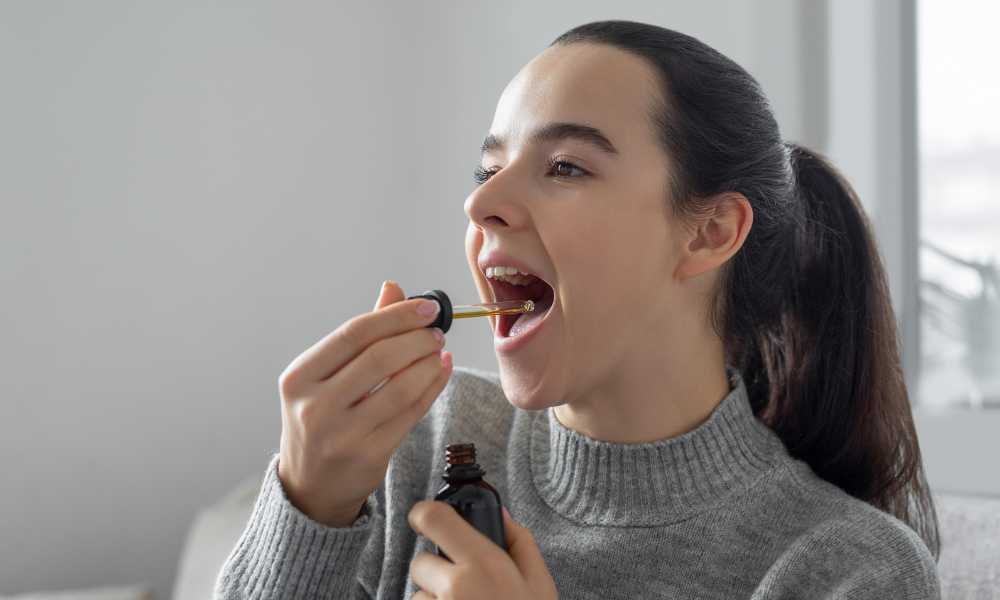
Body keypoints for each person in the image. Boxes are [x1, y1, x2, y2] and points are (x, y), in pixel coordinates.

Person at [214, 19, 941, 599]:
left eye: (565, 166)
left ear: (710, 232)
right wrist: (308, 505)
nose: (480, 204)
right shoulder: (423, 449)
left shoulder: (850, 572)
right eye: (489, 169)